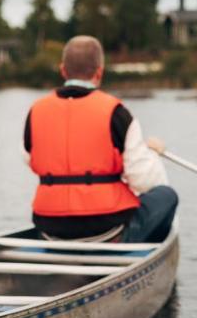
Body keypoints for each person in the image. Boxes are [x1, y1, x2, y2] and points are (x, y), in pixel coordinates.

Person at [24, 35, 177, 244]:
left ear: (62, 70)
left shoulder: (36, 112)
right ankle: (142, 250)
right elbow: (145, 180)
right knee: (167, 195)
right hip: (106, 229)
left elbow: (29, 158)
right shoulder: (118, 113)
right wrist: (152, 154)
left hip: (50, 227)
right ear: (99, 72)